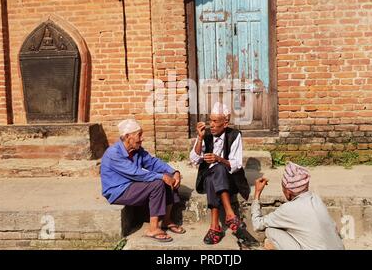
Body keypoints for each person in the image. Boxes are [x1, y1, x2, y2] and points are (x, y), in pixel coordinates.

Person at [101, 118, 185, 243]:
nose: (142, 138)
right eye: (139, 135)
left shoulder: (137, 150)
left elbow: (153, 163)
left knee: (168, 176)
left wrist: (174, 172)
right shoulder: (113, 153)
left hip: (132, 185)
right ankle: (153, 228)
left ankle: (166, 220)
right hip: (118, 190)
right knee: (157, 183)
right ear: (128, 136)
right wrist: (161, 177)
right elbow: (135, 173)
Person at [190, 102, 250, 244]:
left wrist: (219, 159)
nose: (211, 124)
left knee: (218, 169)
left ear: (225, 123)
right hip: (208, 177)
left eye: (215, 121)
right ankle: (230, 215)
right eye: (210, 120)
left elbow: (237, 164)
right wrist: (199, 138)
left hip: (229, 179)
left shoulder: (235, 135)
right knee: (213, 174)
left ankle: (214, 226)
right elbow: (194, 159)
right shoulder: (206, 135)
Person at [251, 161, 345, 250]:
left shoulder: (288, 209)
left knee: (270, 230)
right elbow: (334, 227)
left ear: (288, 192)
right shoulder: (316, 199)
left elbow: (257, 224)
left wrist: (257, 193)